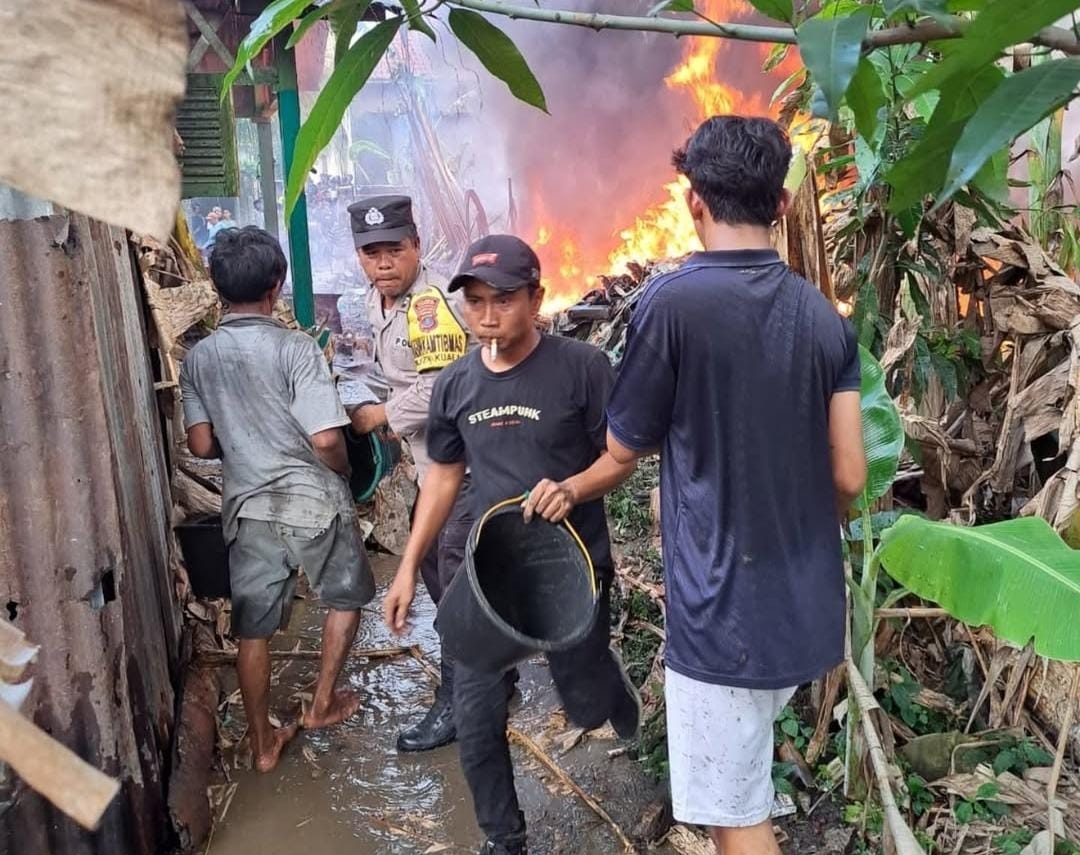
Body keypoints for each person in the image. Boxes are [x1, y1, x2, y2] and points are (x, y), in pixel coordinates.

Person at [605, 116, 867, 855]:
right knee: (743, 780)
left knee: (736, 812)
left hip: (723, 615)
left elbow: (623, 442)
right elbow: (848, 471)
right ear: (781, 204)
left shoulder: (671, 303)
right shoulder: (824, 317)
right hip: (807, 604)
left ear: (694, 202)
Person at [383, 235, 643, 855]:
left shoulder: (581, 370)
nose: (487, 316)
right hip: (490, 572)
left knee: (581, 701)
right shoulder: (455, 386)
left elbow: (621, 457)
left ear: (537, 298)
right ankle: (504, 840)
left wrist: (574, 489)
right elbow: (444, 477)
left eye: (502, 300)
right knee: (475, 716)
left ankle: (602, 684)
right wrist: (406, 567)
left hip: (572, 564)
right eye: (474, 302)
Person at [180, 226, 376, 773]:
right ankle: (321, 703)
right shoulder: (296, 350)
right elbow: (326, 439)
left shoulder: (198, 360)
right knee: (344, 597)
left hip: (249, 507)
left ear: (217, 290)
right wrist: (346, 476)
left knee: (252, 629)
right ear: (275, 288)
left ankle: (263, 745)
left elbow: (200, 443)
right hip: (314, 501)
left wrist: (245, 436)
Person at [346, 194, 476, 752]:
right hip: (429, 464)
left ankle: (460, 703)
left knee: (451, 585)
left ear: (416, 247)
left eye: (394, 250)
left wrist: (379, 415)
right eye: (370, 252)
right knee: (435, 570)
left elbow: (440, 385)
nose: (383, 262)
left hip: (460, 466)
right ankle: (491, 680)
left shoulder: (428, 304)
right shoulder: (380, 303)